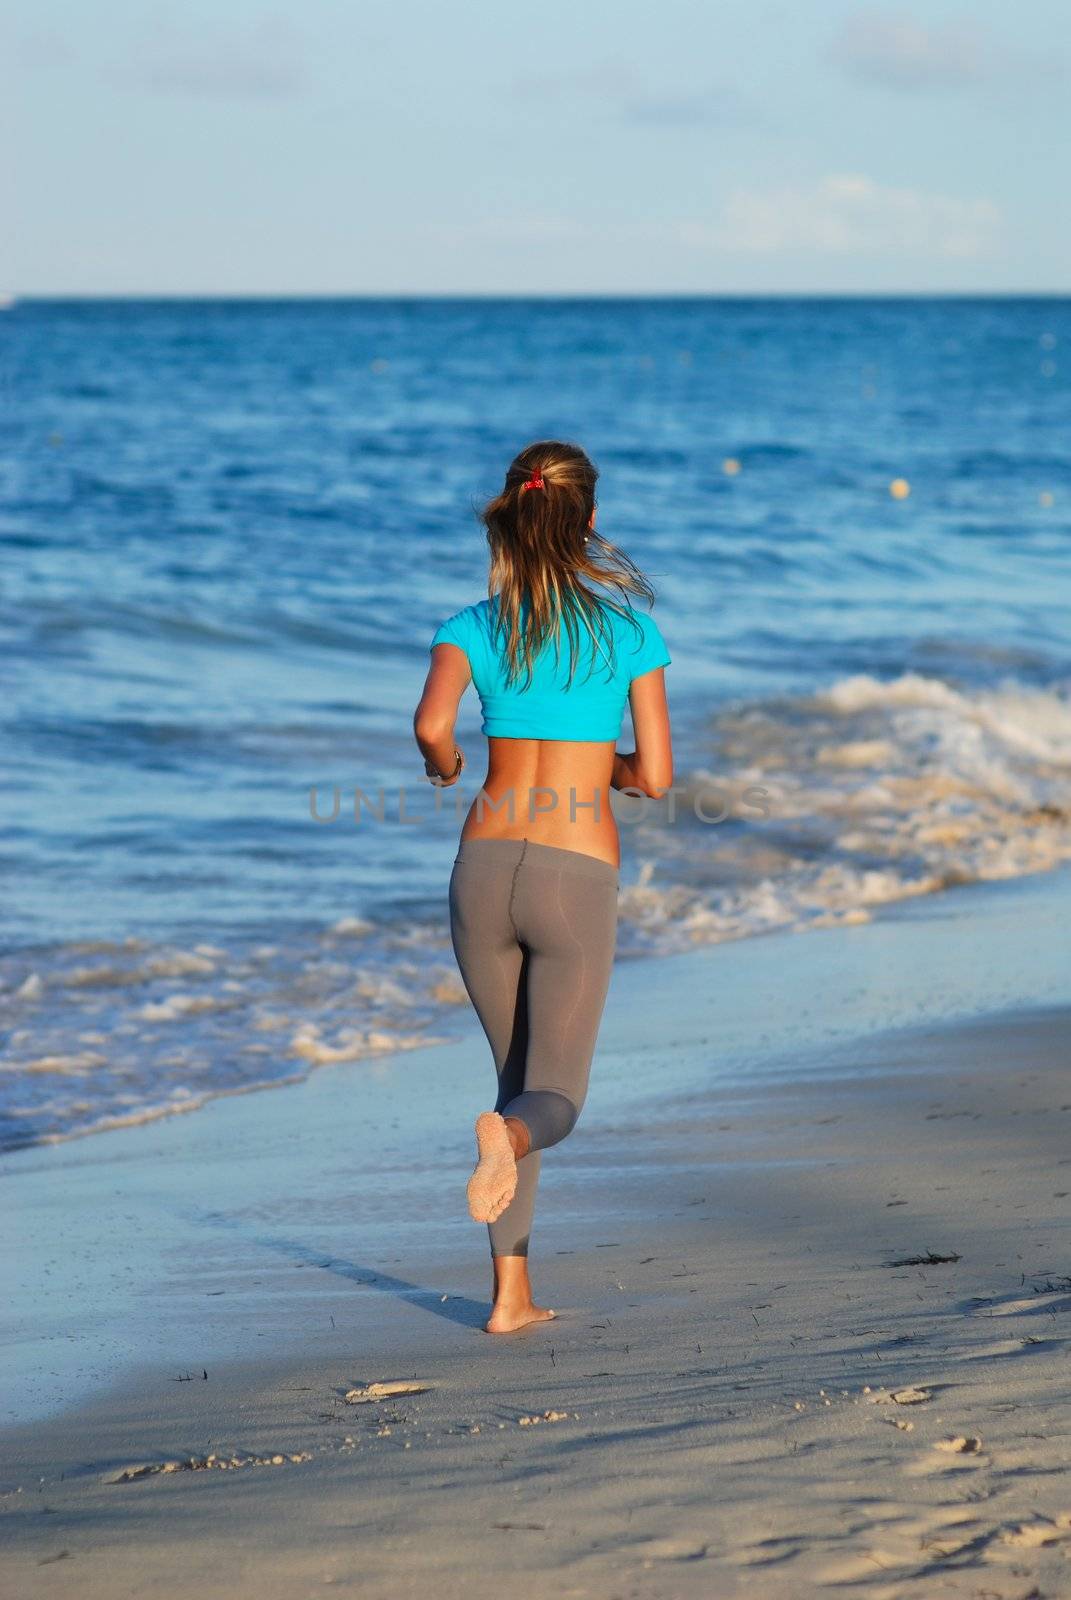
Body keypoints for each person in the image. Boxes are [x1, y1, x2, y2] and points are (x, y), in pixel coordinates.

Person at [413, 441, 673, 1333]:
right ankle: (509, 1154)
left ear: (511, 514)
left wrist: (444, 767)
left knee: (511, 1082)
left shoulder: (472, 625)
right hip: (573, 876)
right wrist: (603, 764)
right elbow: (656, 777)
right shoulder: (628, 631)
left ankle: (511, 1302)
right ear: (588, 520)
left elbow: (432, 723)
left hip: (481, 871)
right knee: (548, 1101)